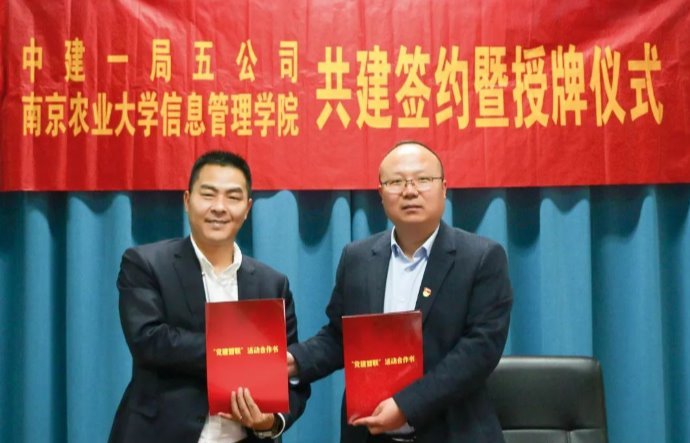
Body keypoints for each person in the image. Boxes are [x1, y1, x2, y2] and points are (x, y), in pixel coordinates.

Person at [287, 141, 513, 443]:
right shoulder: (357, 258)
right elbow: (340, 337)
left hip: (453, 431)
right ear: (381, 194)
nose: (410, 191)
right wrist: (294, 360)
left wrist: (407, 405)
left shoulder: (481, 257)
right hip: (369, 433)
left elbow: (479, 350)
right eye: (396, 182)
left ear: (444, 188)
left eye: (423, 179)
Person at [109, 150, 309, 443]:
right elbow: (149, 340)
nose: (219, 207)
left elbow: (290, 373)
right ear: (187, 201)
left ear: (247, 208)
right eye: (208, 194)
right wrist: (237, 353)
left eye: (233, 197)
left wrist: (270, 421)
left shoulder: (272, 284)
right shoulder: (146, 264)